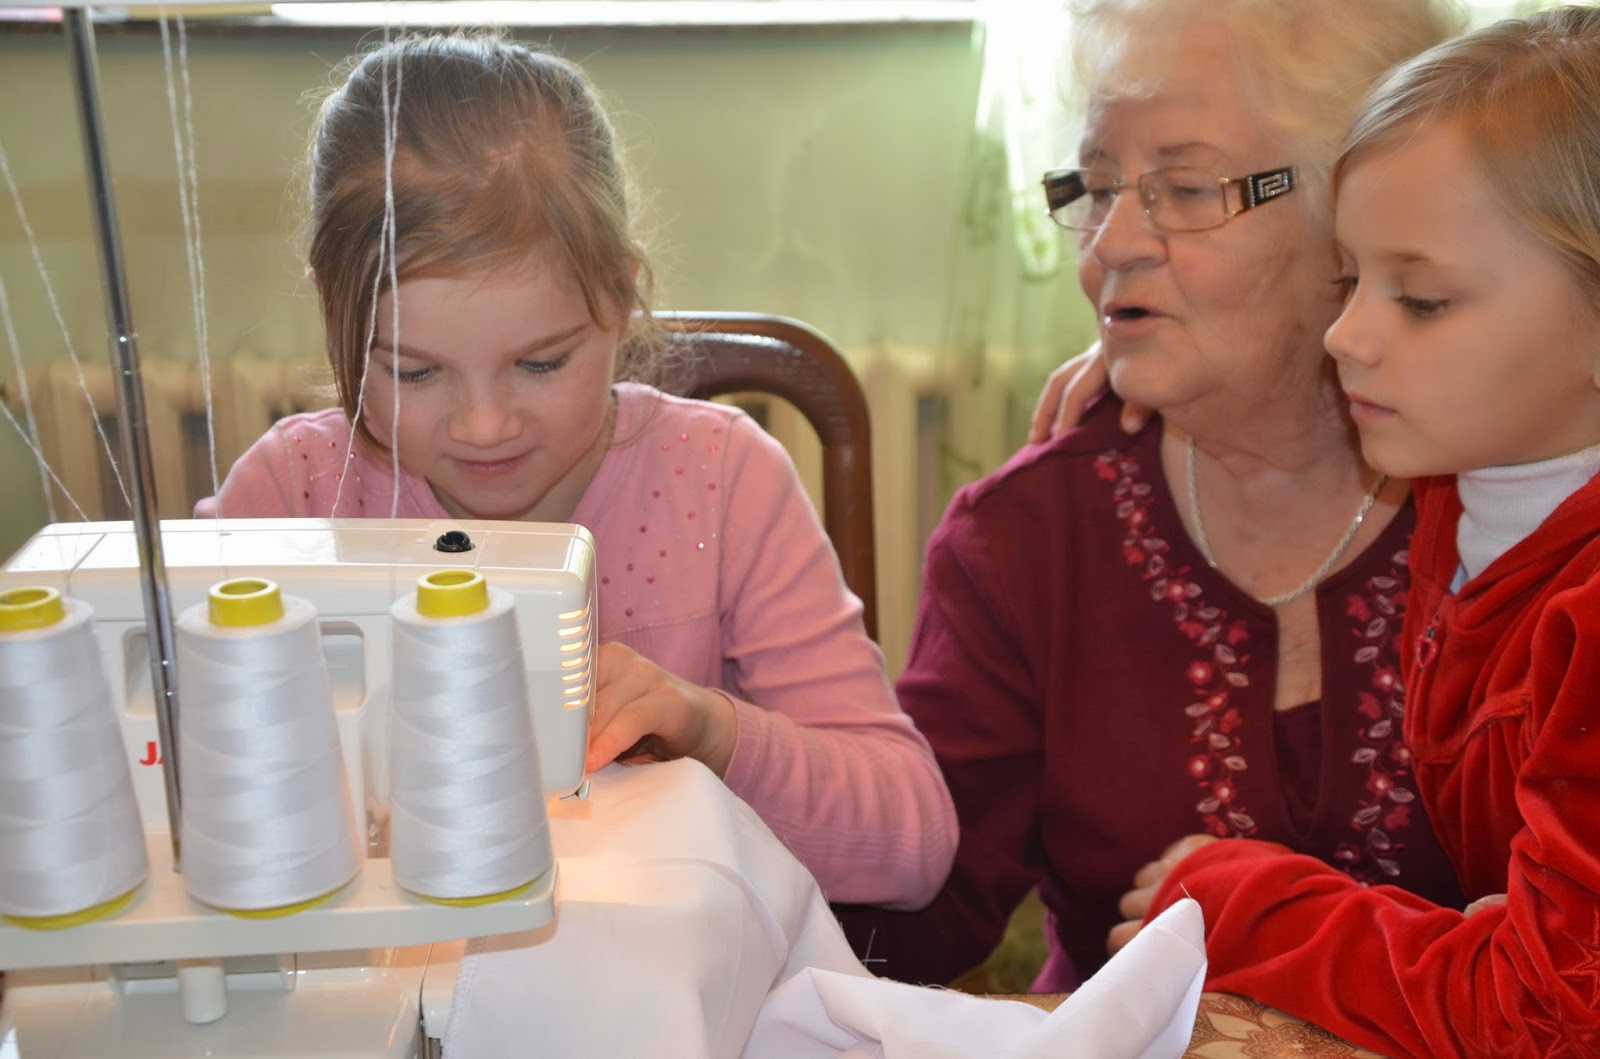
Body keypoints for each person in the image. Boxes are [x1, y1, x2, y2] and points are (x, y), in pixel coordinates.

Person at [195, 32, 956, 910]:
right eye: (414, 371)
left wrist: (712, 730)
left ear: (622, 297)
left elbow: (913, 841)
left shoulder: (722, 481)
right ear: (334, 310)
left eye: (541, 363)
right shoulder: (290, 496)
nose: (485, 425)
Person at [832, 0, 1467, 990]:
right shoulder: (1029, 537)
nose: (1109, 245)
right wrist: (748, 777)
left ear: (1360, 221)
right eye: (1096, 188)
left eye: (1186, 188)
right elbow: (910, 917)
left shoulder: (1508, 503)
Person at [1119, 8, 1600, 1054]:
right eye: (1350, 280)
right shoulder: (1463, 489)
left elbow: (1548, 1016)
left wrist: (1243, 905)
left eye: (1419, 299)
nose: (1347, 334)